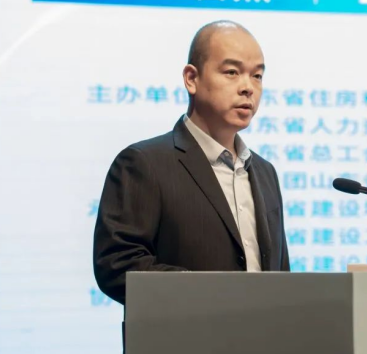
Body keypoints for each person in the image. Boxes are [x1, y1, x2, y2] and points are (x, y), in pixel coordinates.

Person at [93, 20, 290, 305]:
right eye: (232, 72)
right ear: (191, 79)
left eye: (257, 76)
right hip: (184, 332)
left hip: (262, 333)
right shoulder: (143, 164)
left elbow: (280, 274)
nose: (248, 87)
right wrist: (212, 295)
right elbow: (117, 265)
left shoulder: (264, 172)